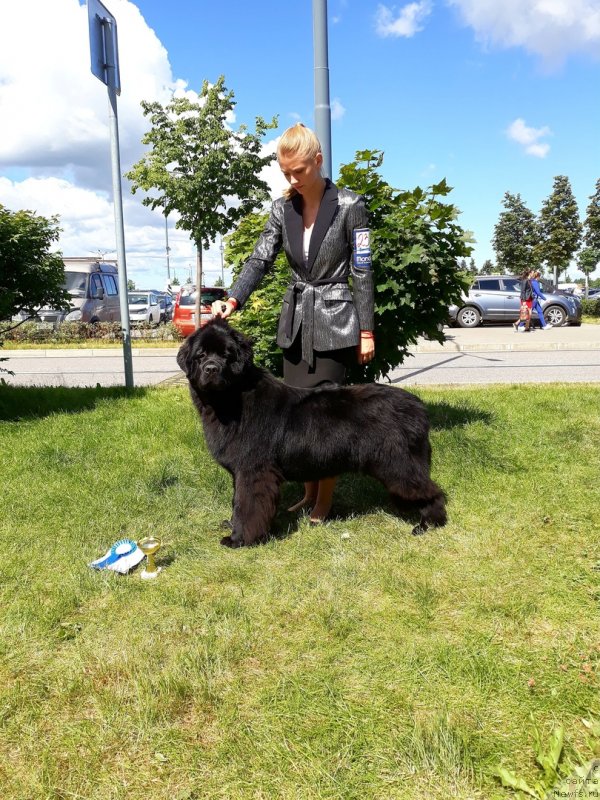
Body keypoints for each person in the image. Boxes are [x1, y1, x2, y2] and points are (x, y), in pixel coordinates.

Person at [212, 123, 375, 523]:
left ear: (318, 161)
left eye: (298, 171)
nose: (291, 179)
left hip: (336, 320)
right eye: (285, 172)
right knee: (297, 419)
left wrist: (366, 329)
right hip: (296, 322)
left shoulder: (352, 206)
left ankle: (324, 502)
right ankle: (307, 493)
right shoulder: (282, 209)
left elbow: (363, 272)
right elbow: (259, 259)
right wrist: (234, 296)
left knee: (327, 420)